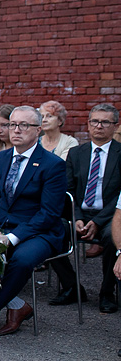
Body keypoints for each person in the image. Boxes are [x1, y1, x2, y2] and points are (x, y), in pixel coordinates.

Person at [0, 106, 66, 344]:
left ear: (38, 130)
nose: (15, 130)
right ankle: (17, 305)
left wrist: (12, 238)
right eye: (12, 124)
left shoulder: (52, 165)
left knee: (22, 259)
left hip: (40, 232)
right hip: (2, 228)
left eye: (23, 125)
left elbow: (49, 214)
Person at [50, 104, 121, 312]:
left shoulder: (119, 153)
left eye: (105, 122)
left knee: (111, 237)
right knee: (50, 229)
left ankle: (107, 293)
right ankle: (72, 287)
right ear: (88, 124)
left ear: (115, 126)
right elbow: (68, 190)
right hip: (79, 213)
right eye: (94, 121)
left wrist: (98, 223)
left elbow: (120, 196)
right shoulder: (76, 153)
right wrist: (77, 217)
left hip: (111, 215)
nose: (99, 126)